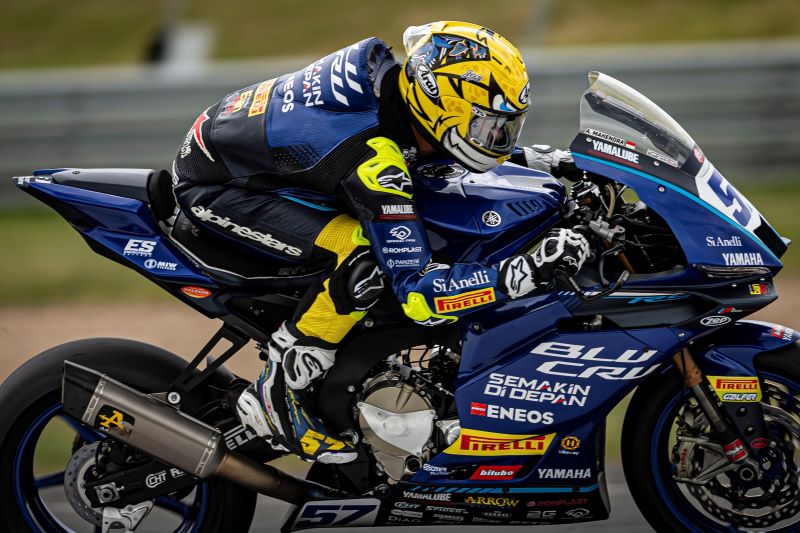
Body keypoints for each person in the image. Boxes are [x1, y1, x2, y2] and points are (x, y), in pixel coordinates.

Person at [171, 21, 591, 464]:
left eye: (504, 129)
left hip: (257, 152)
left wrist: (543, 159)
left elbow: (434, 145)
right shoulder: (374, 159)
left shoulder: (399, 87)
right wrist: (522, 273)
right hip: (220, 188)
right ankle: (280, 389)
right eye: (490, 128)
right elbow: (418, 294)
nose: (498, 141)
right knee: (362, 258)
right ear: (442, 106)